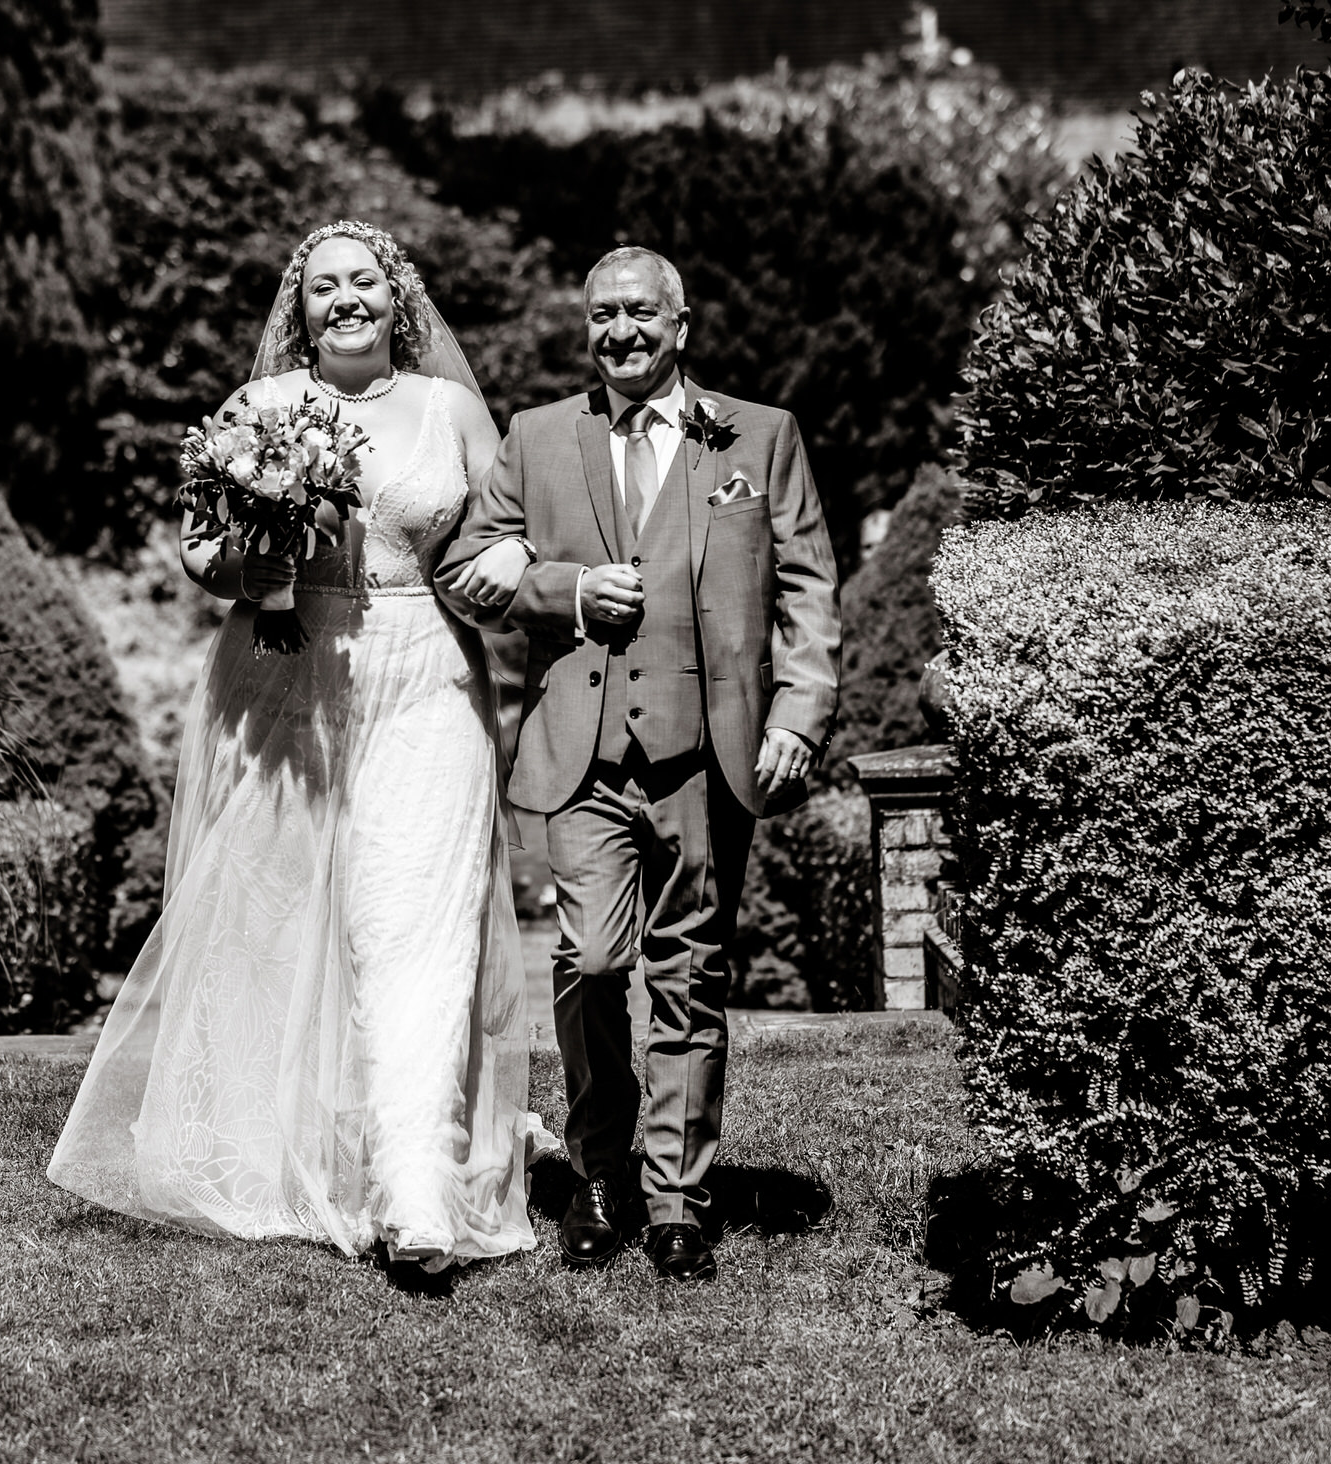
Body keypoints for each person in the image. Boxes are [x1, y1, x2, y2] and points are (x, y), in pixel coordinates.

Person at [46, 220, 546, 1274]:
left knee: (416, 925)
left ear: (397, 297)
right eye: (325, 287)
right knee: (277, 923)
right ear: (300, 308)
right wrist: (253, 569)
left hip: (426, 677)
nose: (346, 299)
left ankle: (415, 1191)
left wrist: (512, 563)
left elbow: (501, 531)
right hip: (284, 674)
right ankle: (282, 1151)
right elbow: (200, 549)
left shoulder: (453, 409)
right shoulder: (258, 408)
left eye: (364, 280)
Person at [436, 246, 842, 1282]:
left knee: (689, 973)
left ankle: (675, 1200)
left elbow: (806, 587)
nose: (618, 331)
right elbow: (465, 569)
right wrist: (567, 591)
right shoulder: (536, 438)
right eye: (600, 315)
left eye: (638, 313)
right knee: (591, 962)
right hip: (582, 752)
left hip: (707, 752)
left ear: (679, 324)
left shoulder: (760, 436)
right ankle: (598, 1170)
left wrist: (798, 714)